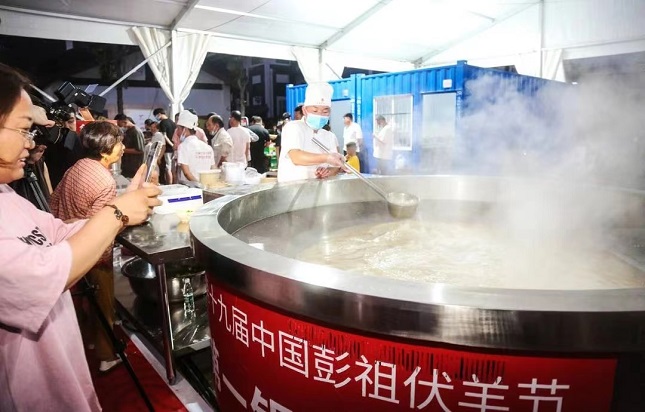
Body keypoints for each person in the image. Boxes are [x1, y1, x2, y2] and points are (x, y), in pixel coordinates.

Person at [0, 62, 161, 411]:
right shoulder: (101, 179)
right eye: (25, 129)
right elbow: (42, 274)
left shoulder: (9, 194)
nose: (32, 143)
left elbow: (57, 229)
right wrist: (117, 213)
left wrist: (122, 210)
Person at [49, 121, 126, 373]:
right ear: (105, 150)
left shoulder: (77, 166)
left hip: (69, 247)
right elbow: (101, 227)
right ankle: (106, 356)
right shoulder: (105, 181)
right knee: (103, 302)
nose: (122, 147)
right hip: (94, 254)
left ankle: (89, 341)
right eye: (118, 143)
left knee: (84, 299)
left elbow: (54, 201)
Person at [277, 82, 345, 183]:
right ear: (304, 110)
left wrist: (327, 172)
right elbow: (296, 157)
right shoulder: (293, 127)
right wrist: (327, 158)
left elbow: (335, 167)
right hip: (292, 189)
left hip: (318, 189)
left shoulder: (329, 136)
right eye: (315, 111)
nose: (320, 115)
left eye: (325, 111)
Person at [176, 110, 215, 184]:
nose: (177, 132)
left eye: (178, 129)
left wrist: (198, 185)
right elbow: (213, 169)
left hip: (190, 187)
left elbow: (186, 173)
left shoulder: (183, 147)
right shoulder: (208, 147)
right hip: (207, 185)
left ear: (185, 129)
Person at [114, 114, 145, 178]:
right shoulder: (128, 131)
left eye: (119, 124)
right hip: (127, 165)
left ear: (123, 121)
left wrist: (122, 150)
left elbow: (140, 150)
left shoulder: (136, 131)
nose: (119, 126)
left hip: (134, 166)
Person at [152, 107, 176, 184]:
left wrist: (171, 144)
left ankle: (169, 184)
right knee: (173, 168)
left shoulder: (163, 123)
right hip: (174, 148)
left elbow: (164, 136)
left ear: (159, 114)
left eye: (156, 115)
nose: (156, 118)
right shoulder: (172, 122)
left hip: (167, 148)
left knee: (167, 168)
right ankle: (174, 183)